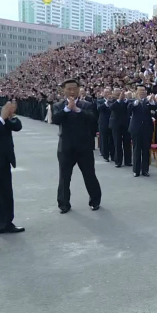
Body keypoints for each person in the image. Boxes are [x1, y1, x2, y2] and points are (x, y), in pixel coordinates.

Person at [51, 79, 102, 214]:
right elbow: (56, 119)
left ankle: (95, 201)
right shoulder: (58, 105)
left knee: (89, 174)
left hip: (84, 146)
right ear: (64, 90)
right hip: (66, 148)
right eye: (69, 89)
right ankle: (64, 204)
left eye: (74, 88)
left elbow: (92, 119)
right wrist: (68, 109)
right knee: (64, 177)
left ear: (79, 89)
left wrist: (77, 109)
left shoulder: (87, 105)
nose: (72, 91)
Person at [0, 95, 24, 234]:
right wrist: (2, 119)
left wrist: (11, 116)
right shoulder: (1, 114)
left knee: (5, 194)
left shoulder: (0, 109)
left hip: (3, 159)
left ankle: (4, 224)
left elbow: (17, 126)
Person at [128, 85, 157, 177]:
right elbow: (128, 109)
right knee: (136, 149)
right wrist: (136, 102)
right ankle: (136, 170)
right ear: (137, 92)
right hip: (136, 128)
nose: (142, 92)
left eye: (143, 91)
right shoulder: (133, 101)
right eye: (140, 91)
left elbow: (155, 108)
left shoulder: (148, 102)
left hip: (147, 128)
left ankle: (145, 170)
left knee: (146, 150)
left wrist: (152, 101)